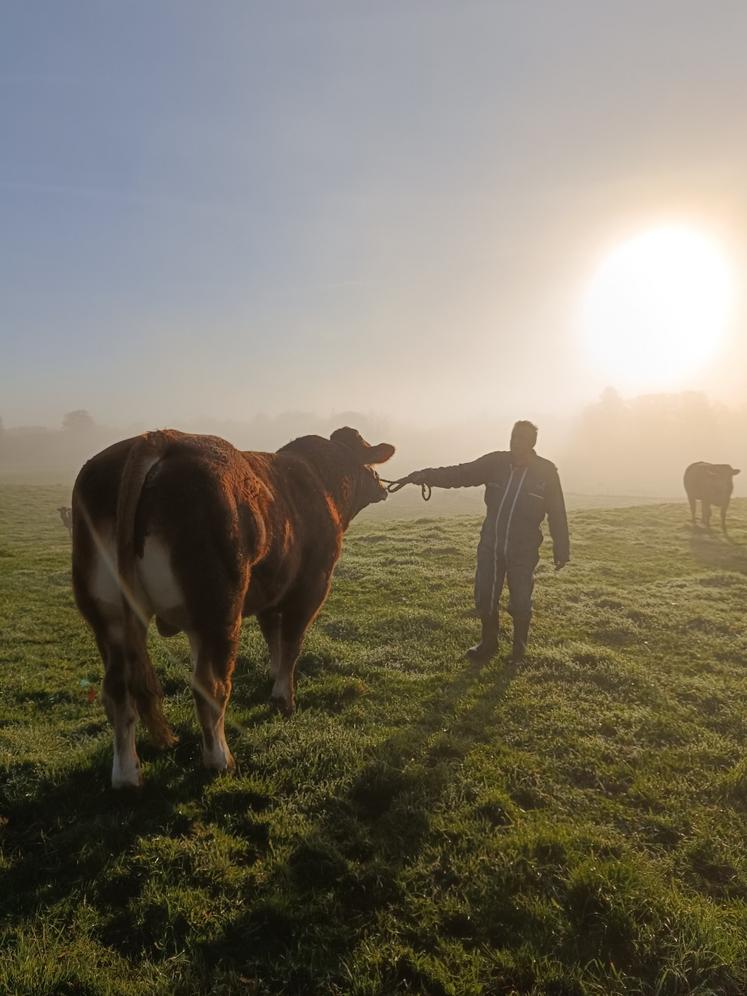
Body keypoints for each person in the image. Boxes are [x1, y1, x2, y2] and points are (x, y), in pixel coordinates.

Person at [403, 420, 569, 663]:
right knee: (485, 592)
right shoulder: (495, 463)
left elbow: (557, 512)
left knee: (521, 597)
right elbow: (461, 473)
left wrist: (561, 549)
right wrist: (427, 476)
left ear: (533, 442)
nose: (516, 441)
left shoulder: (546, 472)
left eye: (522, 438)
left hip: (523, 548)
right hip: (490, 542)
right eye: (514, 436)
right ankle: (488, 643)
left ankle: (518, 651)